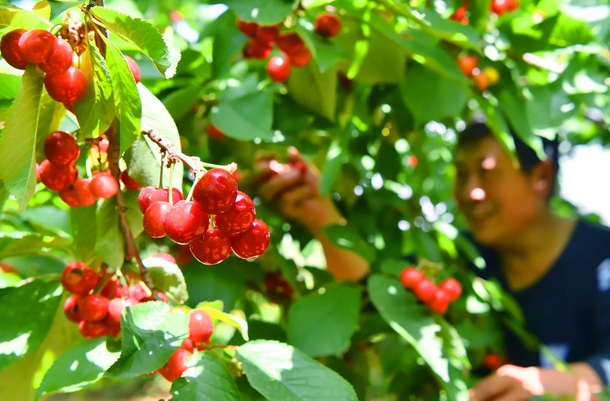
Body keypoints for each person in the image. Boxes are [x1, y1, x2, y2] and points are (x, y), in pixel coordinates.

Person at [251, 121, 610, 400]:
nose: (470, 191)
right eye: (462, 173)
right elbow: (377, 292)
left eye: (486, 172)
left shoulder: (602, 259)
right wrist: (320, 215)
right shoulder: (459, 258)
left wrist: (549, 383)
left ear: (542, 178)